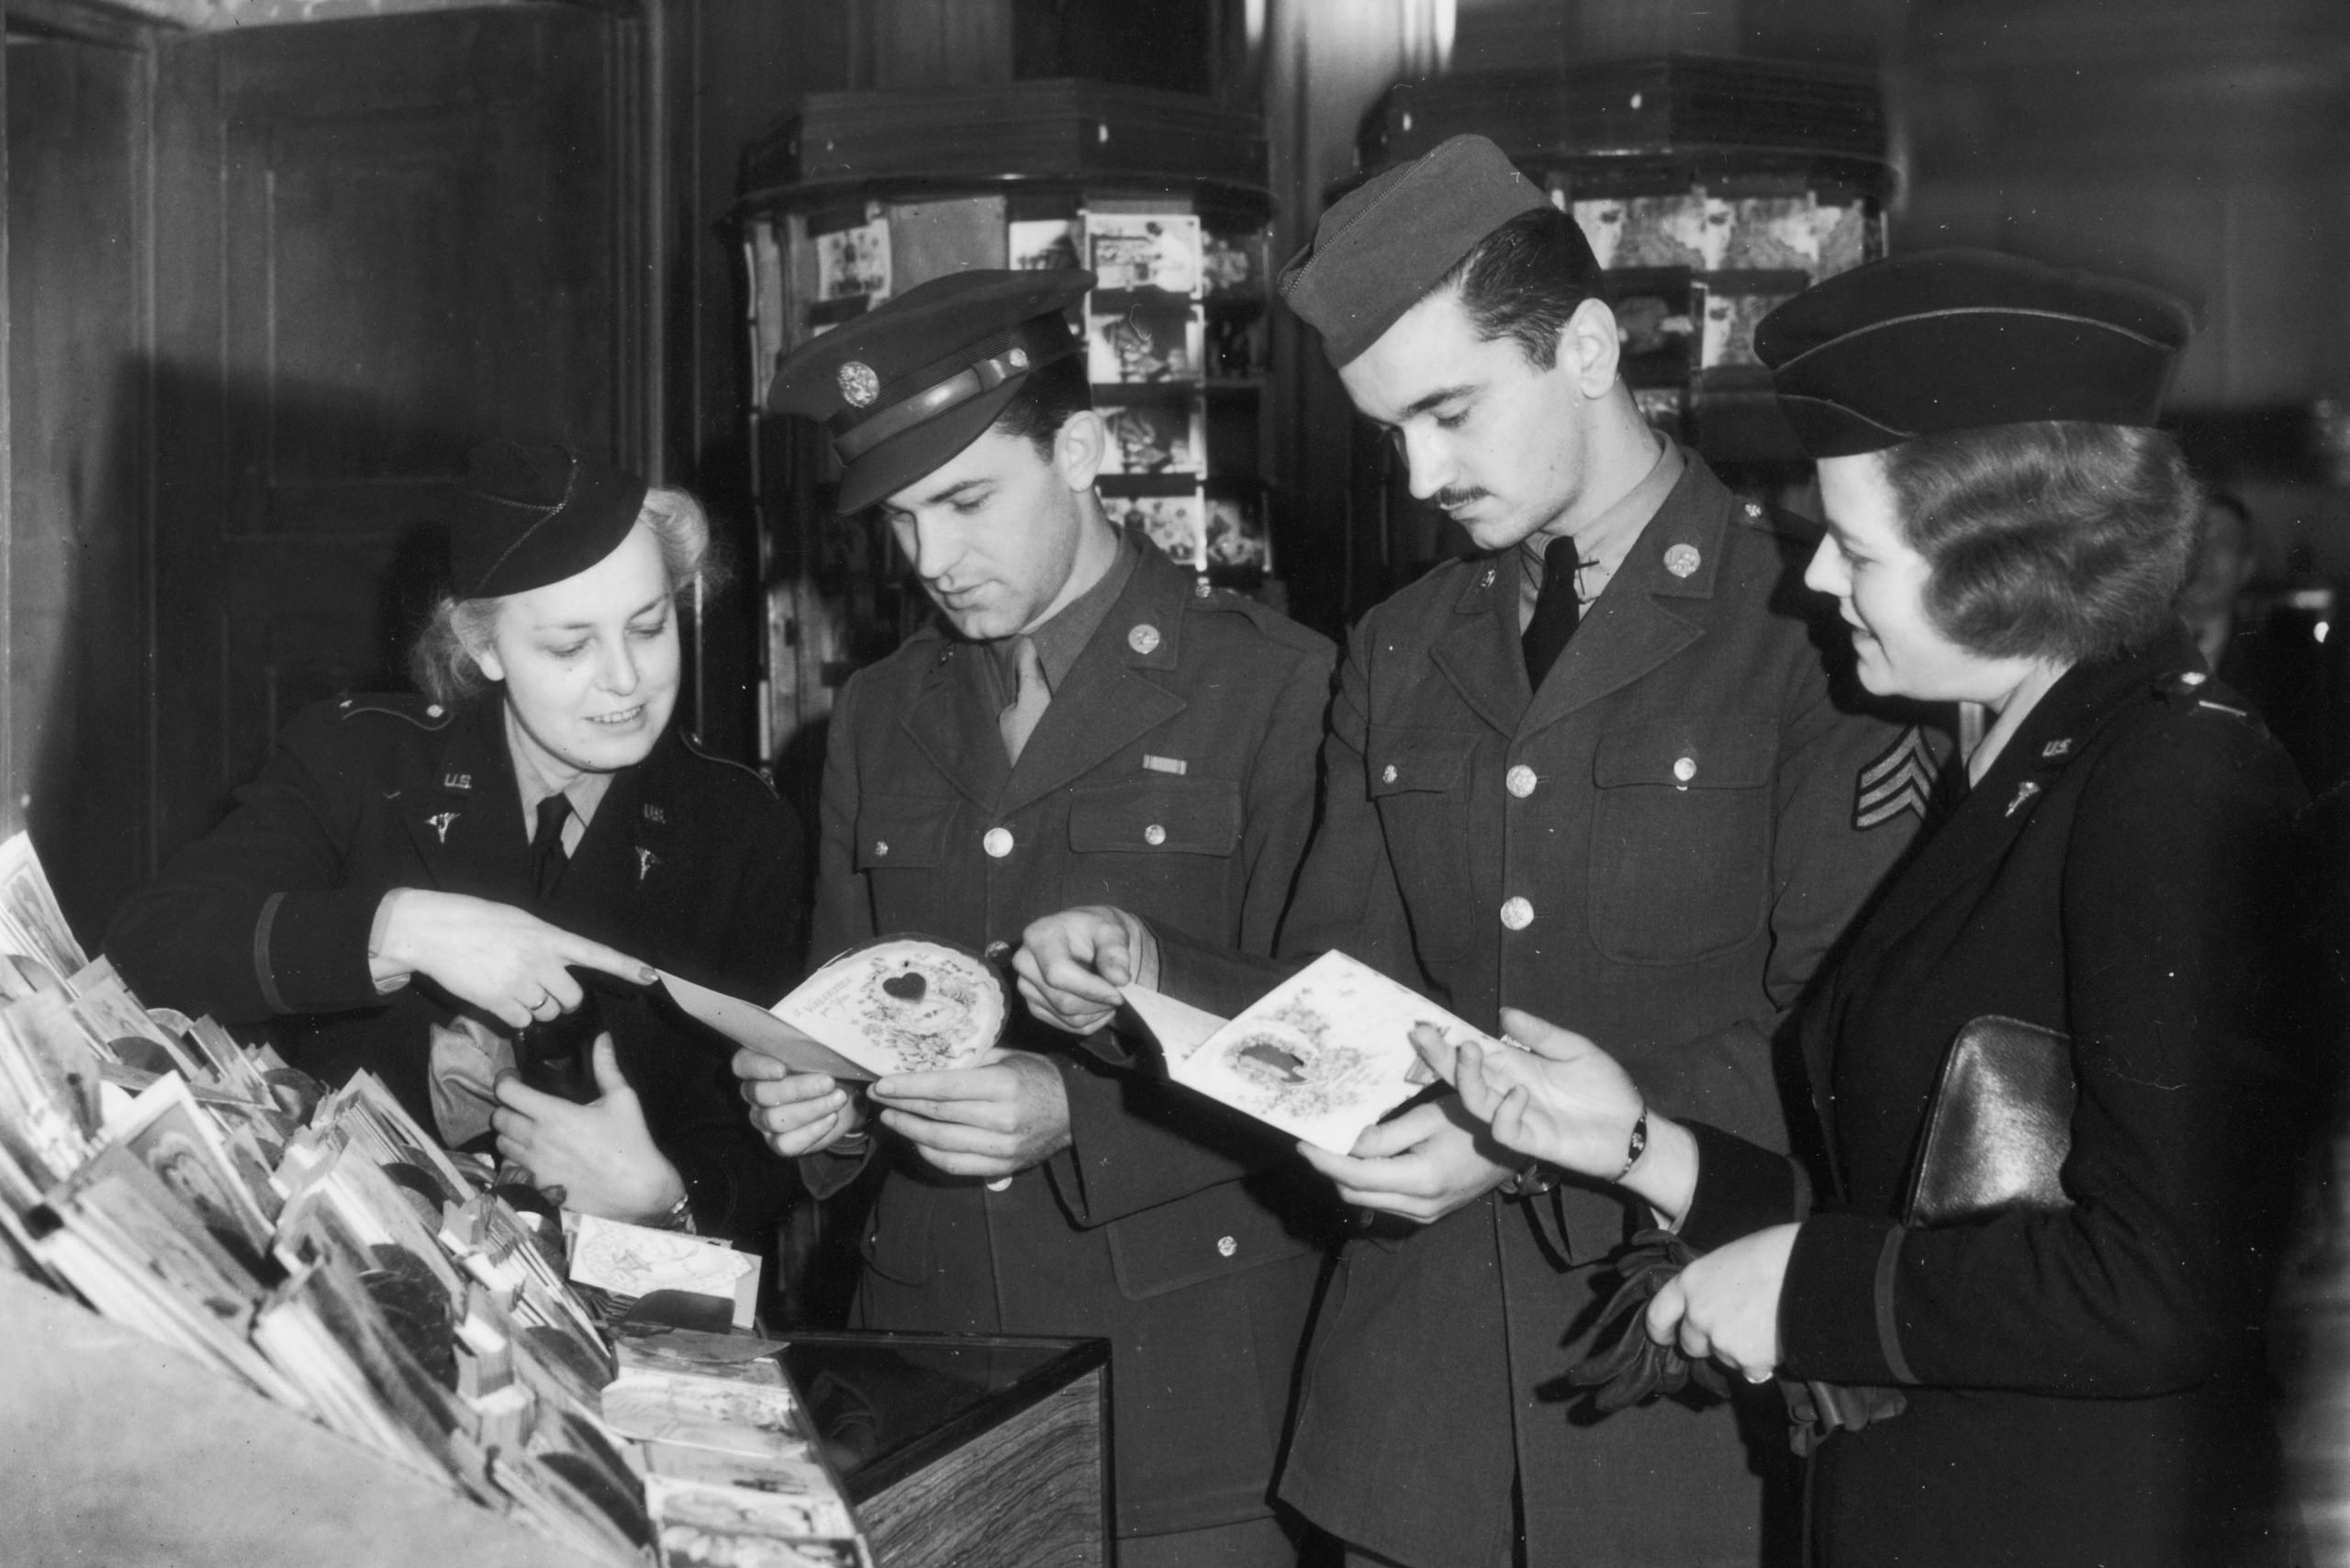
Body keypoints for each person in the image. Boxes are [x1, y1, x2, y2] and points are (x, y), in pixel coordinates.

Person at [1018, 135, 1922, 1568]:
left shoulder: (1809, 628)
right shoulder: (1403, 644)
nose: (1422, 471)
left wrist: (1512, 1144)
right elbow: (1343, 987)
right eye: (1391, 433)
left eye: (1449, 412)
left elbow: (1838, 1045)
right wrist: (1152, 977)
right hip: (1409, 1432)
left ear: (1585, 348)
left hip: (1676, 1407)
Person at [1431, 249, 2330, 1566]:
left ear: (2009, 564)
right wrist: (1636, 1147)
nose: (1816, 585)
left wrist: (1814, 1294)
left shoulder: (2175, 784)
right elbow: (1938, 1188)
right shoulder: (2028, 765)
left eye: (1857, 551)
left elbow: (2175, 1279)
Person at [741, 269, 1338, 1566]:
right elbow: (846, 1007)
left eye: (965, 502)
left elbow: (1333, 1048)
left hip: (1191, 1393)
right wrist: (817, 1111)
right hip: (934, 1374)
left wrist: (1087, 1116)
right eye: (900, 519)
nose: (930, 561)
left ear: (1078, 452)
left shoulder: (1274, 689)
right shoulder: (881, 713)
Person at [106, 442, 805, 1243]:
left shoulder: (744, 830)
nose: (626, 679)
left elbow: (766, 1142)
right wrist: (396, 927)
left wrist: (665, 1198)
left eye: (649, 628)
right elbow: (147, 949)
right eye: (571, 646)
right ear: (482, 649)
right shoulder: (361, 762)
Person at [2177, 488, 2347, 796]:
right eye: (2195, 541)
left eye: (2223, 543)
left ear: (2247, 566)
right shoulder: (2132, 660)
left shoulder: (2290, 674)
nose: (2205, 555)